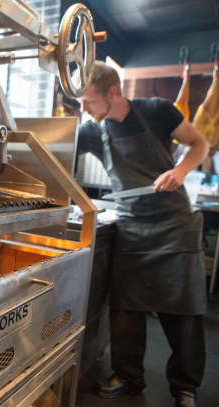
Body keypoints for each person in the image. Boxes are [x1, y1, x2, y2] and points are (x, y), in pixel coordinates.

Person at [76, 62, 209, 407]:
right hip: (132, 226)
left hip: (174, 224)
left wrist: (180, 170)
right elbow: (55, 152)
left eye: (88, 101)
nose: (83, 108)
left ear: (112, 92)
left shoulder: (158, 111)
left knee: (184, 312)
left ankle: (185, 387)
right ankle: (128, 376)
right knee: (126, 311)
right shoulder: (93, 129)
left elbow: (199, 144)